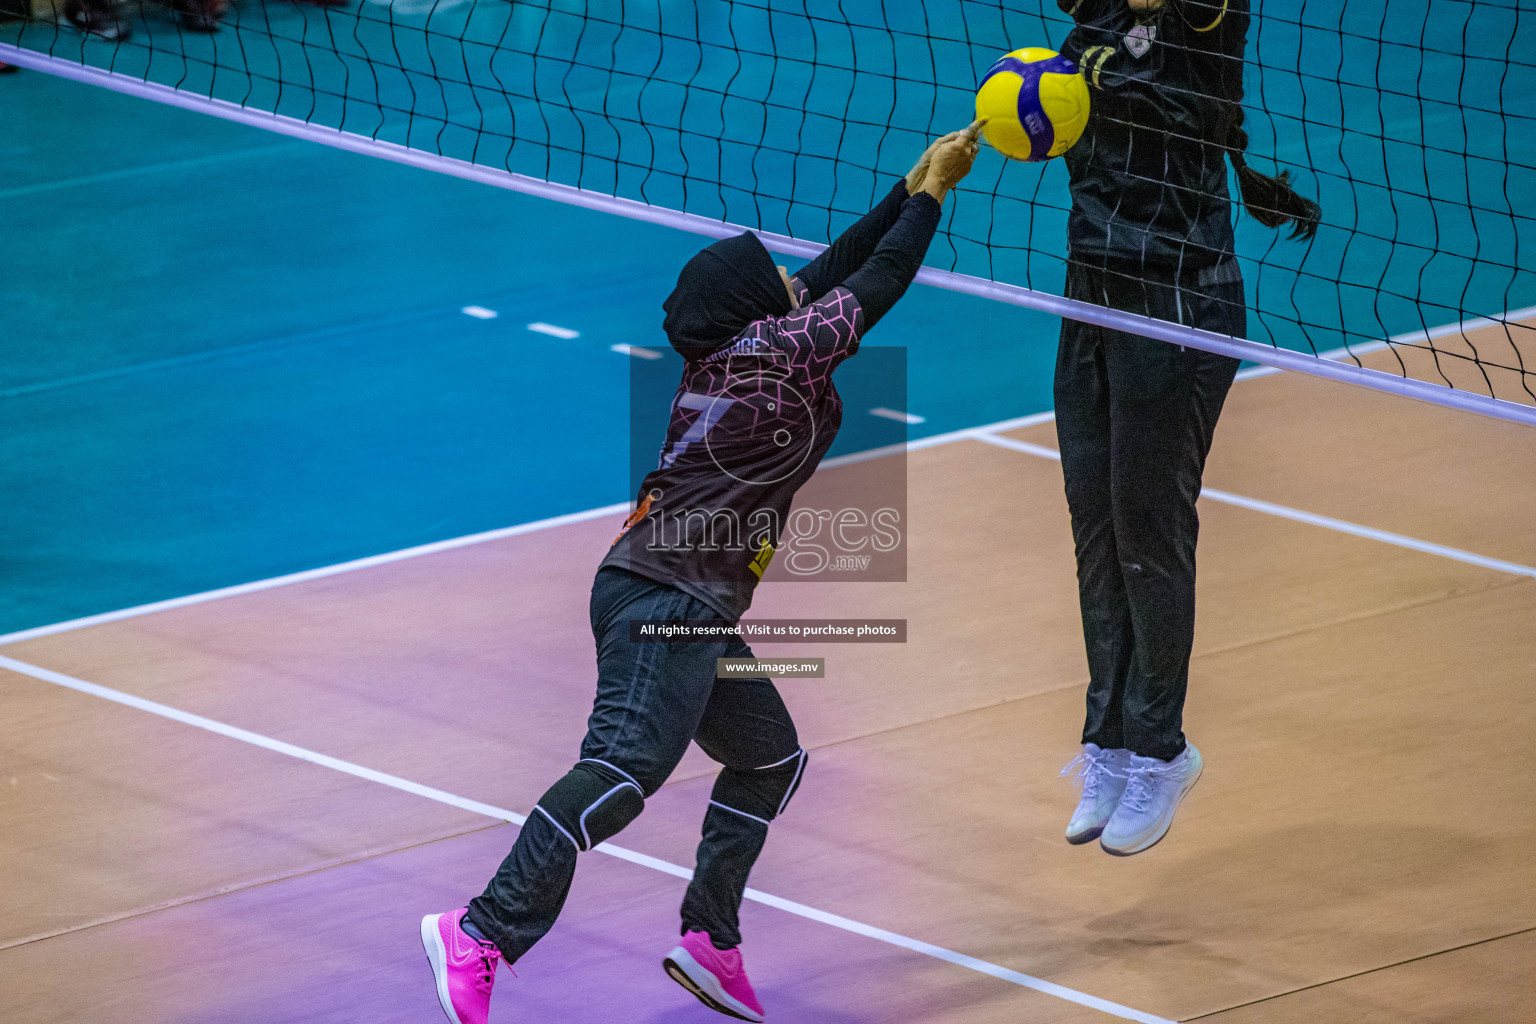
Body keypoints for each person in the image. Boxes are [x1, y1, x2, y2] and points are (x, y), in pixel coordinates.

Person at [420, 124, 982, 1024]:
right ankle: (480, 931)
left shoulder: (739, 350)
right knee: (619, 772)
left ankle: (709, 941)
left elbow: (832, 270)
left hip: (684, 595)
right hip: (663, 592)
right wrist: (933, 198)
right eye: (778, 289)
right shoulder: (780, 357)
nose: (795, 286)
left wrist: (909, 181)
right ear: (758, 314)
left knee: (768, 760)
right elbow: (875, 285)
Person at [1052, 0, 1319, 856]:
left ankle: (1162, 751)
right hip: (1089, 290)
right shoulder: (1091, 17)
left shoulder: (1209, 13)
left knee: (1147, 532)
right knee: (1096, 531)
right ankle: (1110, 742)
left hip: (1179, 300)